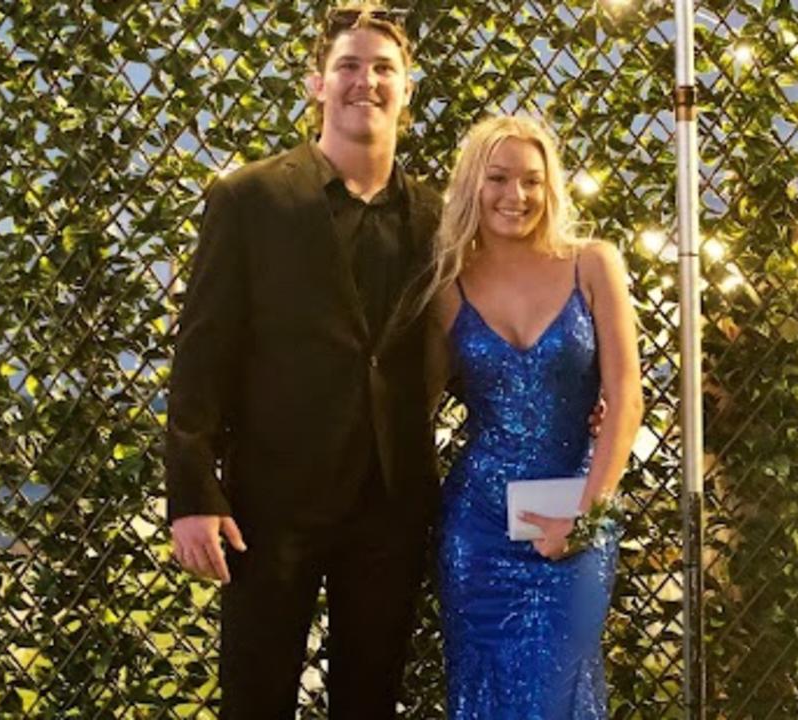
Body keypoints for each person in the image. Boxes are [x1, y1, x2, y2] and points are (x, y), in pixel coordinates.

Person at [164, 6, 443, 718]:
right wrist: (193, 493)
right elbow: (202, 349)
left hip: (391, 503)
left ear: (407, 89)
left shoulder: (439, 217)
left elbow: (463, 341)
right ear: (316, 84)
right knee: (254, 698)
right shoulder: (249, 197)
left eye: (383, 69)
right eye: (349, 66)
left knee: (370, 700)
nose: (365, 82)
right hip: (269, 503)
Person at [424, 116, 645, 718]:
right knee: (485, 694)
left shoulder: (593, 264)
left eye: (531, 181)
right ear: (472, 185)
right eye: (497, 178)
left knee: (555, 689)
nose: (515, 196)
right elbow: (410, 404)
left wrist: (588, 513)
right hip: (478, 532)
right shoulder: (447, 286)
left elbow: (627, 396)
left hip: (576, 513)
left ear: (551, 189)